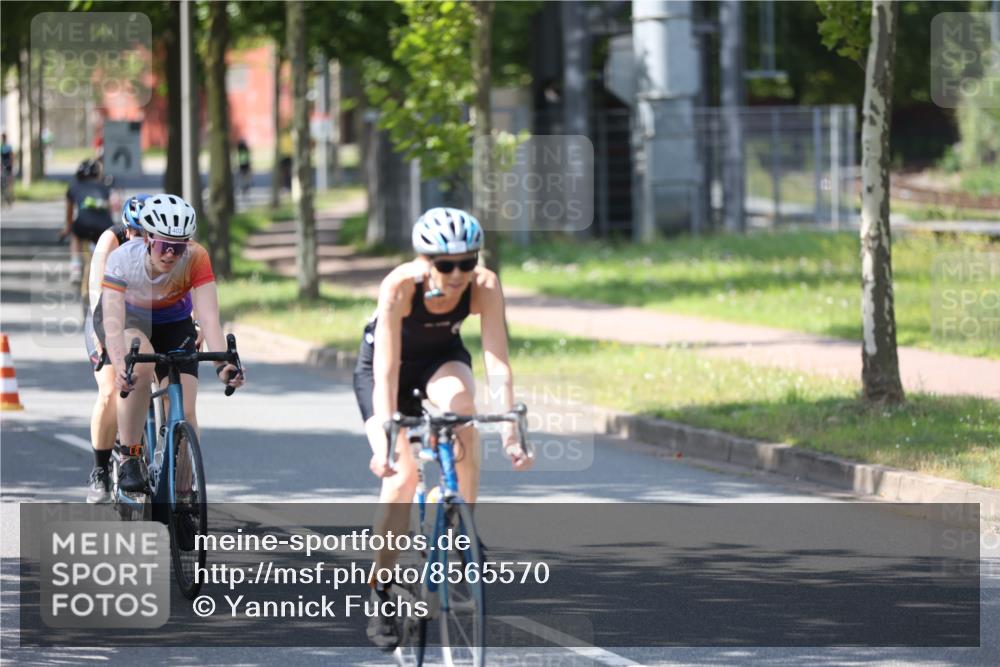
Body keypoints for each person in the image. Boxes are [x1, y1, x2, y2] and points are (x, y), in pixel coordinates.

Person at [353, 207, 534, 650]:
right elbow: (387, 370)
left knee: (463, 411)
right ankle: (380, 590)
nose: (458, 274)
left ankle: (462, 525)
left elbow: (498, 362)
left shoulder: (484, 285)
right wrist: (385, 442)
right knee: (402, 480)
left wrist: (510, 430)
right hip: (387, 373)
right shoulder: (400, 286)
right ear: (424, 260)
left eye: (468, 262)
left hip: (441, 361)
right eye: (446, 264)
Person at [96, 194, 245, 492]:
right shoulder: (123, 259)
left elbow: (209, 317)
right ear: (148, 238)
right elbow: (112, 321)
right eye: (165, 246)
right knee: (141, 364)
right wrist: (120, 363)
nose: (171, 255)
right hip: (130, 321)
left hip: (174, 324)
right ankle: (130, 457)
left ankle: (184, 491)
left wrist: (223, 365)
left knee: (186, 409)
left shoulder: (196, 257)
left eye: (179, 248)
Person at [85, 194, 149, 502]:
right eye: (134, 232)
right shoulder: (111, 240)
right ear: (126, 229)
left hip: (143, 316)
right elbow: (97, 289)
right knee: (110, 391)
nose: (139, 238)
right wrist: (103, 339)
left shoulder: (160, 244)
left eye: (146, 233)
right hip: (105, 314)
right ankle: (99, 471)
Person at [61, 159, 113, 284]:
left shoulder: (74, 188)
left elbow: (69, 212)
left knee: (75, 235)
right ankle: (109, 270)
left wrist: (68, 228)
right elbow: (110, 208)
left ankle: (76, 266)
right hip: (104, 226)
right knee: (106, 245)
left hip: (83, 225)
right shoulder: (104, 188)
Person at [1, 133, 15, 206]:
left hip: (7, 167)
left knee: (9, 182)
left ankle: (10, 197)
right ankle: (6, 198)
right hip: (4, 167)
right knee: (4, 183)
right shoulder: (3, 147)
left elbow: (11, 156)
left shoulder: (7, 147)